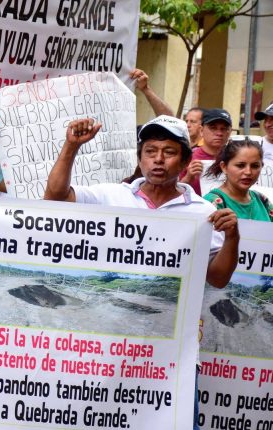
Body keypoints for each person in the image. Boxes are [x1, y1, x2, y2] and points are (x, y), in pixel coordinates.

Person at [44, 115, 239, 430]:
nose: (158, 159)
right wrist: (70, 147)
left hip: (170, 356)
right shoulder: (111, 196)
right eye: (150, 151)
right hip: (107, 351)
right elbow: (54, 198)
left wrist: (233, 237)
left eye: (168, 151)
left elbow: (217, 278)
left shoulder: (202, 212)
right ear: (140, 157)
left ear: (186, 160)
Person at [203, 137, 273, 221]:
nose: (248, 172)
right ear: (224, 167)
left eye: (255, 166)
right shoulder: (212, 203)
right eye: (240, 165)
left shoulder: (262, 200)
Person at [181, 109, 233, 196]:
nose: (219, 133)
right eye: (213, 128)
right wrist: (188, 178)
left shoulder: (235, 158)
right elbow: (173, 191)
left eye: (224, 129)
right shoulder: (187, 158)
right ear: (201, 130)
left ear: (230, 132)